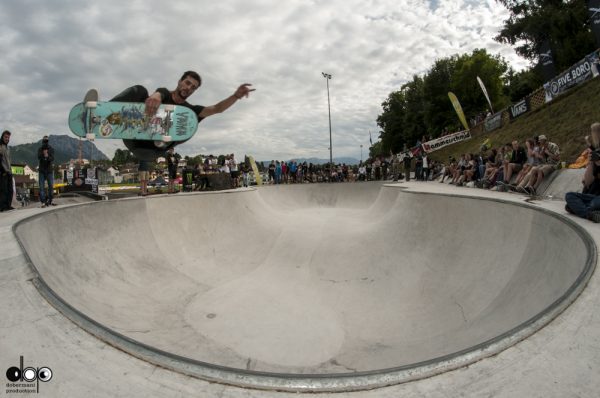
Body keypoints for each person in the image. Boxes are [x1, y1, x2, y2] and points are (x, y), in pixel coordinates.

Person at [110, 71, 254, 161]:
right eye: (187, 83)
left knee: (189, 122)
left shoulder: (189, 110)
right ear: (180, 82)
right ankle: (102, 111)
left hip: (149, 151)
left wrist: (236, 96)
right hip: (133, 139)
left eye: (193, 87)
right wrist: (156, 96)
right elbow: (161, 92)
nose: (189, 88)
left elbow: (217, 108)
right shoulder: (163, 92)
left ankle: (162, 141)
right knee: (140, 90)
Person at [565, 148, 600, 222]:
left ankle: (581, 209)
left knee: (593, 204)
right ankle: (590, 214)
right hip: (589, 197)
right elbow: (587, 182)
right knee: (569, 195)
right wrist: (590, 163)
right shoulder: (594, 165)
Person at [38, 135, 55, 207]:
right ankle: (43, 202)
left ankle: (50, 200)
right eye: (44, 141)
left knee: (51, 186)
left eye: (46, 141)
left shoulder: (51, 149)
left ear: (48, 141)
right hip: (42, 170)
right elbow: (38, 157)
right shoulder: (40, 149)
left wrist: (47, 156)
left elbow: (52, 158)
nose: (45, 142)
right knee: (41, 187)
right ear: (42, 141)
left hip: (49, 170)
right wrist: (43, 154)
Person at [0, 130, 14, 211]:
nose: (7, 139)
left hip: (9, 172)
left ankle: (8, 205)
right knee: (3, 190)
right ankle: (2, 207)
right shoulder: (0, 146)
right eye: (6, 137)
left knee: (10, 190)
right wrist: (3, 170)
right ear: (2, 137)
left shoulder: (8, 147)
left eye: (8, 137)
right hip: (3, 172)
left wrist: (10, 171)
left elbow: (9, 160)